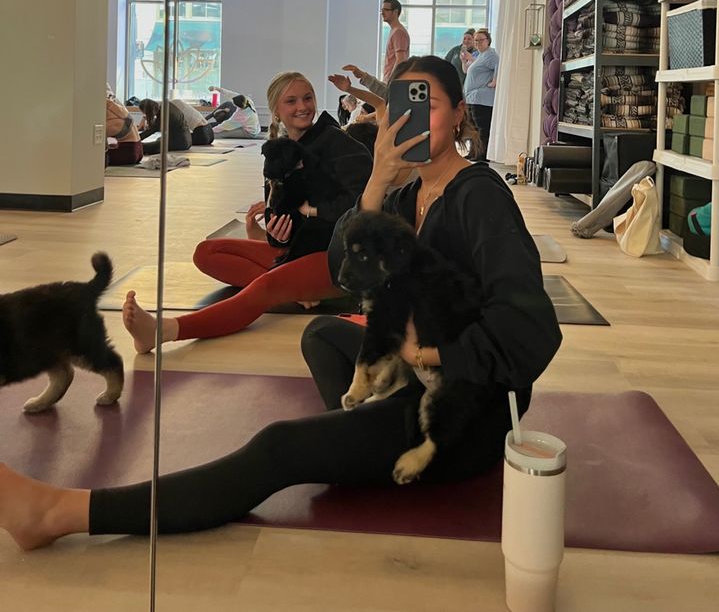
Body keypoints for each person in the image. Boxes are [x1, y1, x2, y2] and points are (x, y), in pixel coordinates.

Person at [0, 56, 560, 548]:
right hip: (413, 378)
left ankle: (56, 513)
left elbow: (532, 329)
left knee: (277, 448)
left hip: (461, 416)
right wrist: (377, 181)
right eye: (400, 108)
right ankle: (359, 444)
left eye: (429, 105)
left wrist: (428, 354)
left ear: (460, 113)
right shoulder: (410, 192)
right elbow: (344, 270)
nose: (412, 120)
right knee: (320, 334)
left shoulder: (481, 198)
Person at [121, 72, 373, 351]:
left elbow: (363, 205)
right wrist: (269, 234)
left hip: (338, 256)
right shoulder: (279, 153)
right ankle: (293, 289)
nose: (302, 106)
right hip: (299, 250)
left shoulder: (338, 142)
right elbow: (281, 230)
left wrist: (311, 210)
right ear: (276, 110)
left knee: (264, 288)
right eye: (291, 101)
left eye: (307, 98)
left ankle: (165, 330)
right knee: (206, 252)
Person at [463, 29, 498, 161]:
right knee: (473, 128)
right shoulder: (480, 55)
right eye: (476, 40)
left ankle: (482, 154)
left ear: (488, 41)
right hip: (473, 98)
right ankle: (474, 152)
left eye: (481, 40)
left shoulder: (491, 55)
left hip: (482, 99)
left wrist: (495, 81)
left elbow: (499, 65)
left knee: (481, 127)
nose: (477, 43)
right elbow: (467, 70)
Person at [105, 90, 142, 166]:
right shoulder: (123, 112)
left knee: (92, 156)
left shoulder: (113, 121)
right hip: (139, 151)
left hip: (128, 153)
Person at [381, 0, 410, 84]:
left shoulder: (398, 32)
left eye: (386, 10)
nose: (382, 13)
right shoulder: (394, 30)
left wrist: (391, 80)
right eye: (382, 10)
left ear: (395, 12)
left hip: (393, 82)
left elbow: (401, 60)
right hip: (390, 80)